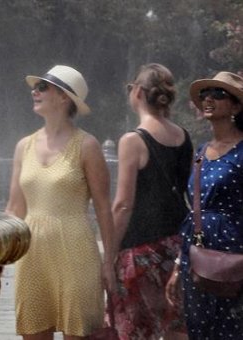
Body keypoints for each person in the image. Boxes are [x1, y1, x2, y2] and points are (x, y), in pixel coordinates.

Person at [5, 65, 116, 339]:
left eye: (43, 87)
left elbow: (103, 208)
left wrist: (109, 263)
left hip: (75, 250)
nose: (35, 91)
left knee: (77, 332)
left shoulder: (87, 145)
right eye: (36, 87)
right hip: (32, 253)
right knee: (32, 330)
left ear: (64, 97)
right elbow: (14, 209)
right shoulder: (24, 146)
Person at [108, 64, 191, 340]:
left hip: (139, 253)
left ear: (139, 93)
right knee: (175, 327)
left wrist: (108, 255)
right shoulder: (183, 137)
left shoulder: (133, 140)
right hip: (176, 248)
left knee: (135, 330)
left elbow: (122, 205)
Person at [166, 71, 243, 339]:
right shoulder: (200, 153)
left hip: (235, 251)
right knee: (199, 329)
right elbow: (194, 208)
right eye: (205, 95)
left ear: (236, 105)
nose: (209, 99)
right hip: (197, 254)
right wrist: (178, 264)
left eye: (218, 94)